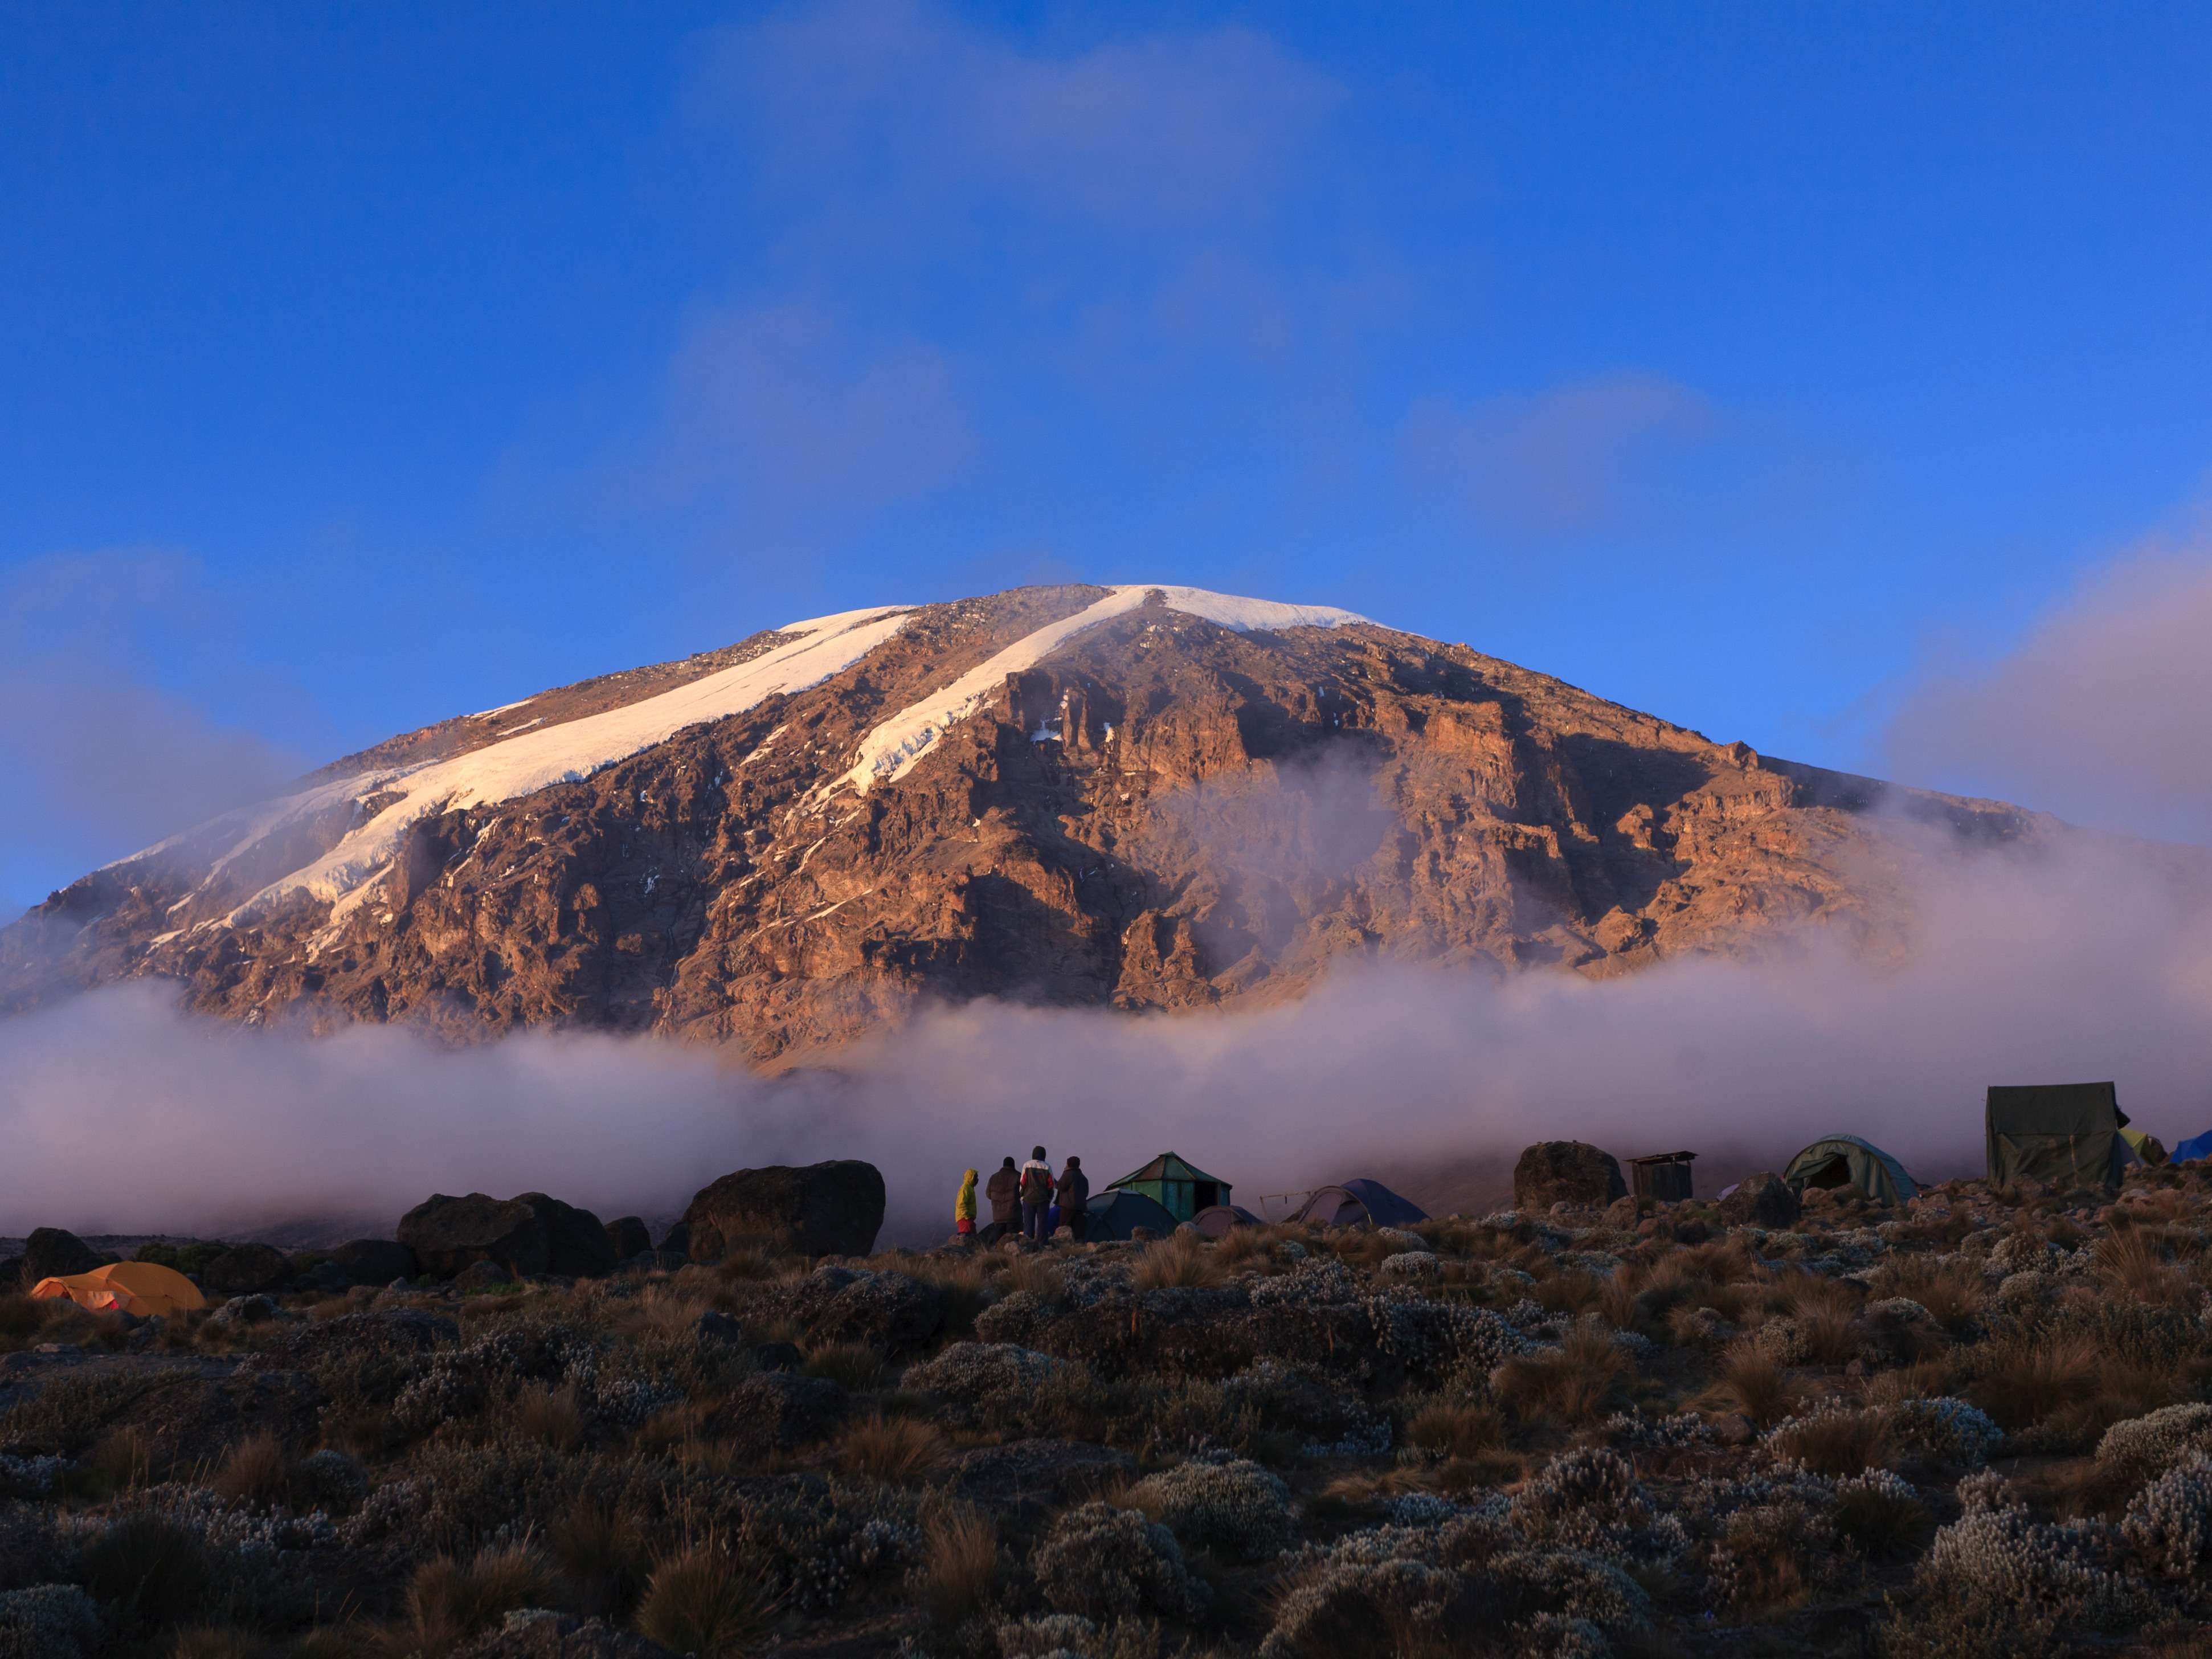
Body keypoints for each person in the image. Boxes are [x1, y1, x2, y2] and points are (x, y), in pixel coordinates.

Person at [1019, 1146, 1055, 1242]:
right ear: (1044, 1155)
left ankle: (1028, 1244)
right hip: (1043, 1200)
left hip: (1028, 1199)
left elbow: (1023, 1183)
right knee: (1043, 1224)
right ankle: (1042, 1244)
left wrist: (1022, 1196)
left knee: (1028, 1224)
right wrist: (1049, 1198)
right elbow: (1051, 1185)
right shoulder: (1047, 1167)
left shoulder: (1027, 1165)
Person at [1056, 1155, 1090, 1241]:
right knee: (1078, 1231)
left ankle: (1064, 1248)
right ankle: (1079, 1248)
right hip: (1081, 1207)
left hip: (1068, 1207)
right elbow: (1086, 1193)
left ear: (1069, 1164)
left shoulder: (1068, 1174)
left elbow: (1061, 1186)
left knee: (1064, 1229)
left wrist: (1053, 1180)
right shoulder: (1084, 1178)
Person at [985, 1157, 1020, 1228]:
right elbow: (1023, 1193)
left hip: (998, 1217)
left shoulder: (994, 1177)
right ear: (1013, 1165)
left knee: (999, 1238)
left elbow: (988, 1195)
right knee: (1013, 1238)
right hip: (1013, 1216)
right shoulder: (1018, 1176)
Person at [954, 1168, 978, 1237]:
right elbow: (961, 1204)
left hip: (966, 1218)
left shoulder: (969, 1188)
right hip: (964, 1218)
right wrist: (967, 1216)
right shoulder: (966, 1188)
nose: (977, 1180)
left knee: (972, 1236)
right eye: (976, 1177)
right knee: (967, 1237)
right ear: (971, 1178)